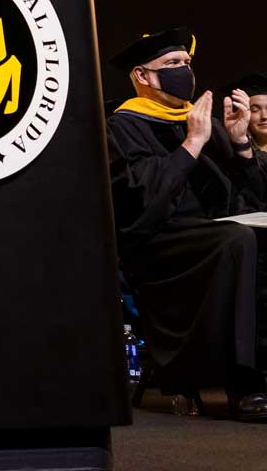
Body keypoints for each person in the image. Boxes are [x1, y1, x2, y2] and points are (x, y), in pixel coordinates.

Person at [106, 28, 267, 420]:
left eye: (187, 64)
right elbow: (142, 204)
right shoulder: (123, 125)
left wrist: (241, 143)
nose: (185, 72)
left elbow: (256, 197)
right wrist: (192, 143)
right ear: (142, 76)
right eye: (172, 64)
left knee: (244, 237)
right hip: (163, 247)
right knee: (236, 240)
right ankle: (243, 385)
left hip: (217, 231)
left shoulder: (201, 120)